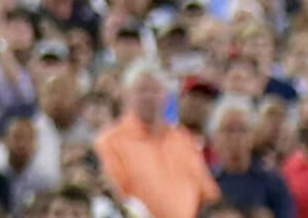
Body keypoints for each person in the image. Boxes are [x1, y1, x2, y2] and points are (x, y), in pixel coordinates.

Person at [96, 63, 222, 218]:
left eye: (155, 90)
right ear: (126, 95)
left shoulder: (184, 139)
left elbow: (208, 194)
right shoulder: (110, 141)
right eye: (142, 90)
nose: (148, 97)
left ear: (166, 96)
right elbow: (116, 197)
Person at [211, 99, 296, 218]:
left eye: (242, 129)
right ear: (215, 137)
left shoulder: (272, 181)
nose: (235, 137)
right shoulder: (207, 180)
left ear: (253, 136)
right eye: (228, 130)